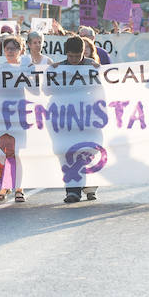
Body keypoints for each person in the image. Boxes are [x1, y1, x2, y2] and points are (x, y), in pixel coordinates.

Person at [54, 36, 100, 203]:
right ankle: (72, 191)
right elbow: (46, 90)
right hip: (66, 117)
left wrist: (99, 70)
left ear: (83, 53)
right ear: (66, 53)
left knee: (87, 152)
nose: (74, 60)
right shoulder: (59, 68)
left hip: (88, 116)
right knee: (68, 152)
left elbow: (102, 88)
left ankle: (88, 186)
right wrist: (50, 72)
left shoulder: (91, 66)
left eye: (77, 56)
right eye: (71, 56)